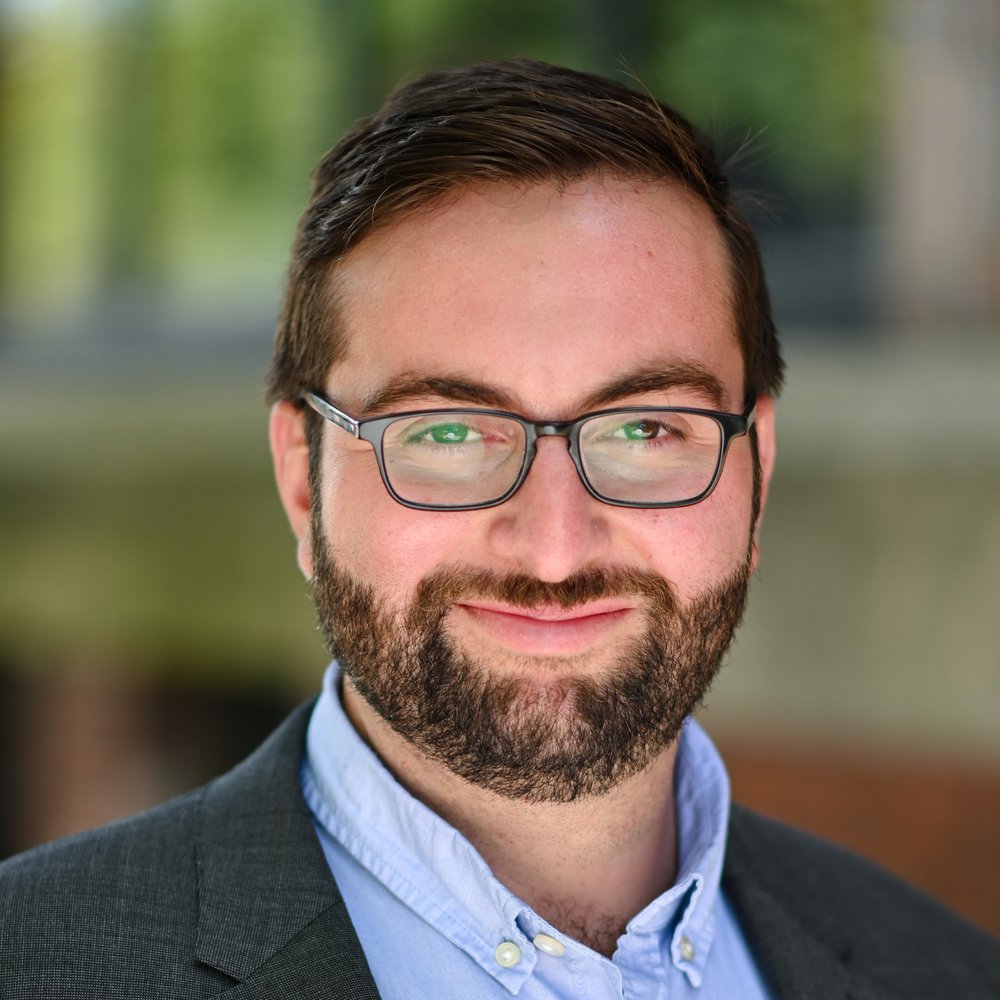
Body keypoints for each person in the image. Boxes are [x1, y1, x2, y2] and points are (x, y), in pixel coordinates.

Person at [1, 59, 997, 1000]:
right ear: (303, 480)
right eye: (444, 431)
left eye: (647, 428)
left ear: (755, 471)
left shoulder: (945, 973)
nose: (554, 548)